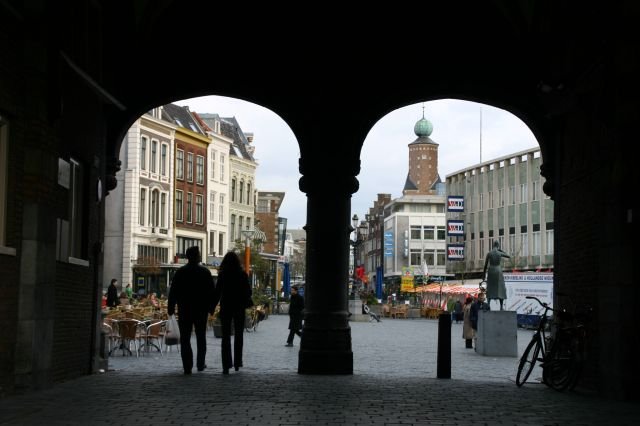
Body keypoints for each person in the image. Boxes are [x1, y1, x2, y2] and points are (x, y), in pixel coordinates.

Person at [168, 246, 215, 375]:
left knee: (185, 338)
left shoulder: (181, 272)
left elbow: (174, 291)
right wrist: (211, 308)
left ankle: (187, 365)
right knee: (201, 337)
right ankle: (200, 363)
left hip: (185, 309)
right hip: (201, 310)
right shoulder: (205, 272)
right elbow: (212, 291)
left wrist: (171, 307)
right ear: (197, 256)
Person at [212, 251, 251, 374]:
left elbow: (217, 292)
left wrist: (212, 307)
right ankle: (237, 362)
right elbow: (248, 292)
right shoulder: (243, 274)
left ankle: (226, 364)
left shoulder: (223, 275)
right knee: (239, 335)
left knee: (226, 336)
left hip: (226, 306)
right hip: (239, 307)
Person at [483, 240, 511, 310]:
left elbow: (485, 265)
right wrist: (501, 250)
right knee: (501, 288)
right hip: (498, 270)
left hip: (491, 270)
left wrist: (483, 274)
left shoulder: (489, 253)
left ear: (493, 245)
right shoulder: (499, 253)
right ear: (498, 245)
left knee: (490, 287)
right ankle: (501, 307)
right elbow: (508, 256)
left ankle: (488, 305)